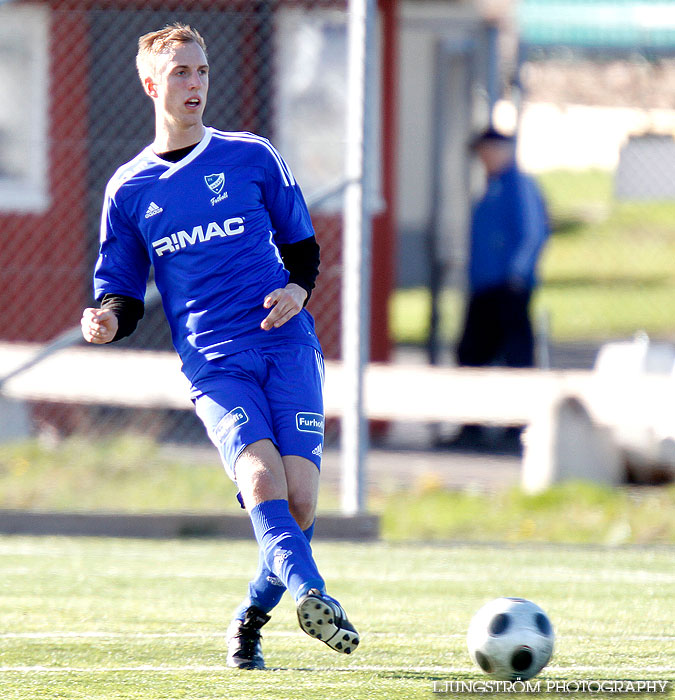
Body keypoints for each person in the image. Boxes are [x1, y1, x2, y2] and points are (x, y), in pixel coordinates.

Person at [80, 23, 359, 670]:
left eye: (201, 71)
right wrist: (105, 321)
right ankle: (312, 593)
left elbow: (303, 248)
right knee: (259, 475)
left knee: (300, 500)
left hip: (284, 344)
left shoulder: (251, 156)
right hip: (214, 361)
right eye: (180, 72)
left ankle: (249, 619)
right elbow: (120, 291)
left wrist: (297, 290)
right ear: (151, 84)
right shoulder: (128, 190)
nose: (194, 83)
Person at [452, 126, 550, 449]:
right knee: (472, 353)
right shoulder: (492, 188)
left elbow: (532, 232)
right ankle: (472, 426)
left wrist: (516, 275)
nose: (484, 158)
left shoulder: (518, 186)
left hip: (507, 288)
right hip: (485, 287)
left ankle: (516, 427)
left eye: (488, 151)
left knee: (516, 354)